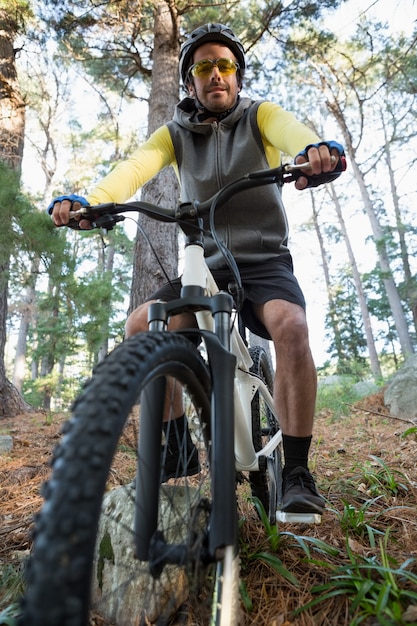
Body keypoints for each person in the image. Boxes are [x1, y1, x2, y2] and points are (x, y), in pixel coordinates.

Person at [48, 23, 345, 514]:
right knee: (142, 327)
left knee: (291, 326)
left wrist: (313, 151)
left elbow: (292, 134)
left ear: (237, 77)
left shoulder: (260, 117)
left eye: (225, 66)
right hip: (204, 263)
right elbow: (135, 167)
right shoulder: (175, 135)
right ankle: (176, 447)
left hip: (262, 257)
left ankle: (296, 470)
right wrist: (92, 201)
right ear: (189, 83)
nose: (215, 75)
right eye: (203, 67)